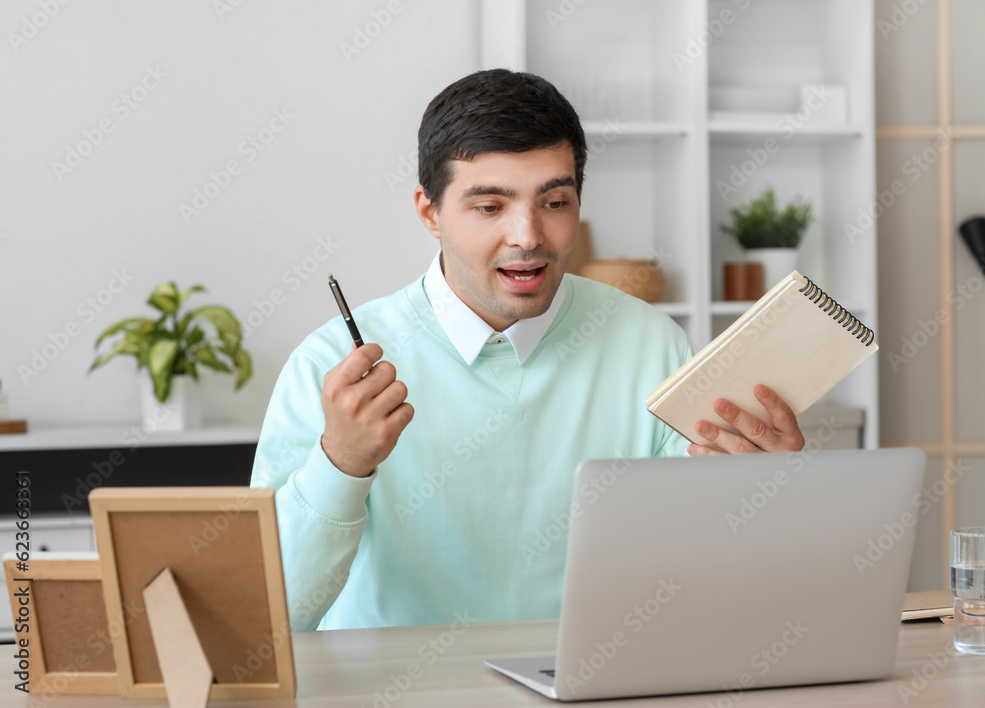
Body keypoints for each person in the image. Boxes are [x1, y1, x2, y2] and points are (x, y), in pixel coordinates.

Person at [250, 69, 804, 631]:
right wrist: (341, 465)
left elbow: (700, 568)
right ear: (429, 213)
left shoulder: (650, 343)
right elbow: (273, 616)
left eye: (555, 202)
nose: (528, 236)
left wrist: (760, 492)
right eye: (490, 207)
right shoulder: (330, 366)